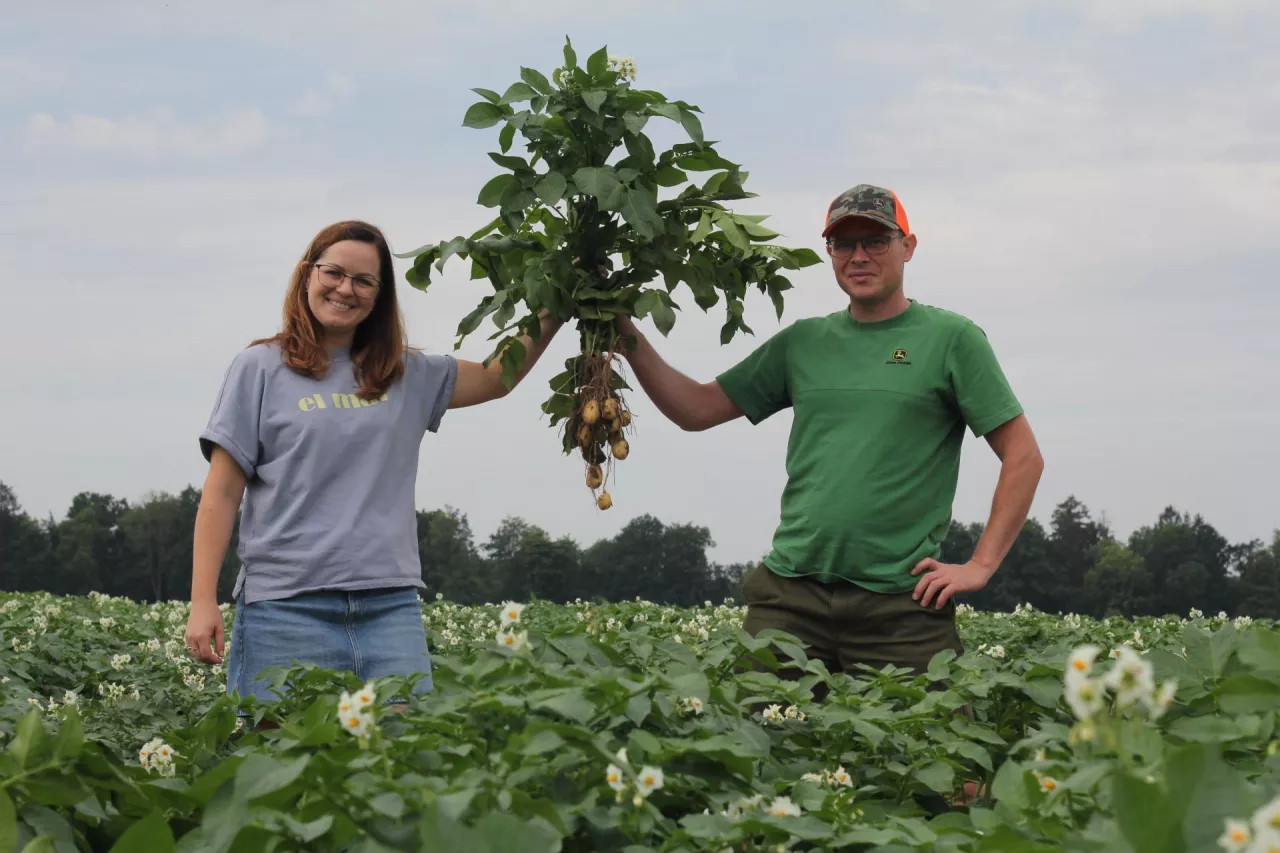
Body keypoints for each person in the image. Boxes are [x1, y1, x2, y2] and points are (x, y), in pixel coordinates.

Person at [616, 184, 1044, 690]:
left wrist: (980, 564)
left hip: (901, 606)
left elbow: (1023, 456)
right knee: (756, 747)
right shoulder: (804, 342)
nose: (858, 256)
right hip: (790, 599)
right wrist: (622, 330)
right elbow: (696, 409)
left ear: (908, 246)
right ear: (830, 254)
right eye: (843, 244)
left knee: (939, 756)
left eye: (875, 241)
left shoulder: (952, 340)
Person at [183, 220, 561, 712]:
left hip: (389, 609)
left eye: (364, 281)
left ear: (380, 296)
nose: (346, 289)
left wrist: (559, 302)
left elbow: (496, 377)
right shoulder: (259, 368)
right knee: (283, 769)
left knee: (400, 766)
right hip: (285, 608)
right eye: (334, 273)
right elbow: (222, 492)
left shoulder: (405, 373)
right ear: (307, 274)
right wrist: (202, 600)